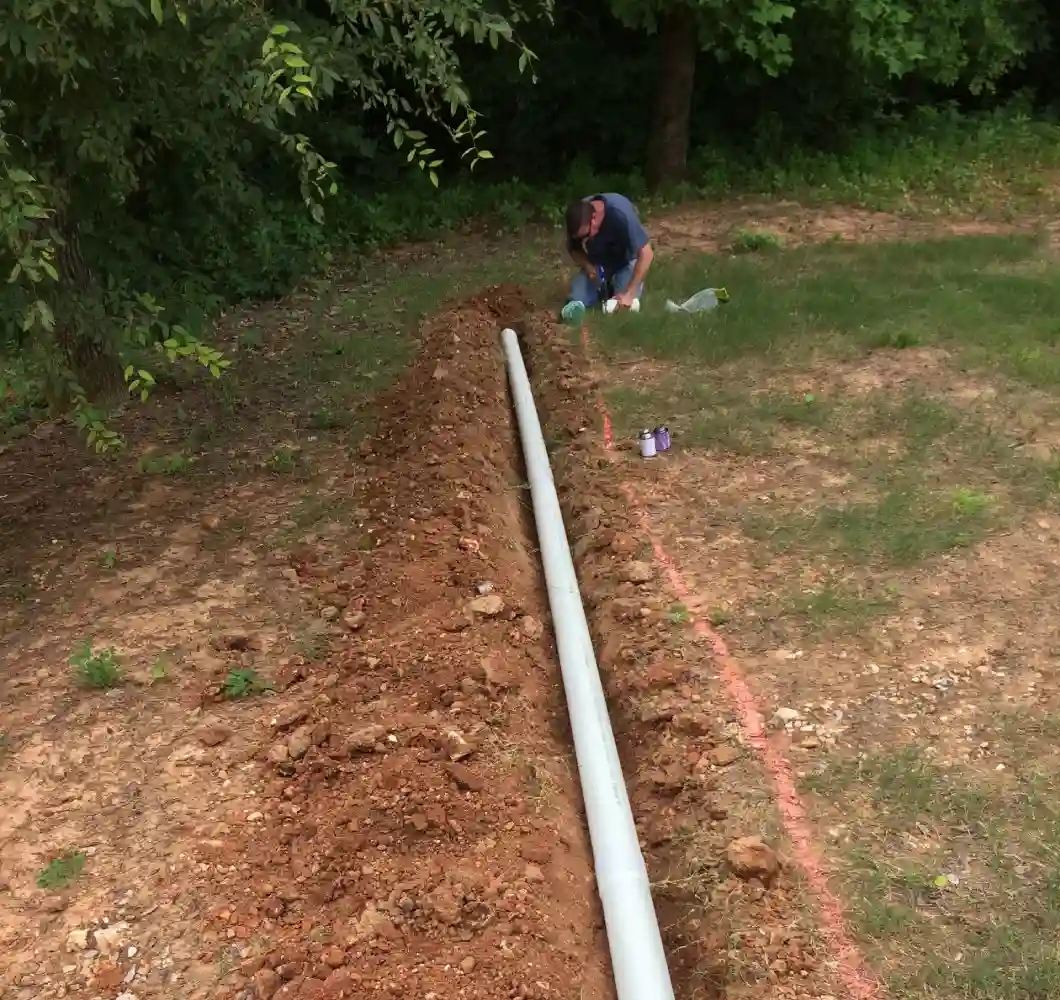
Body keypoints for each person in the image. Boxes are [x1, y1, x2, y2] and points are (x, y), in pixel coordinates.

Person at [560, 193, 655, 324]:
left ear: (594, 218)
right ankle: (602, 289)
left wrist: (630, 292)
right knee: (576, 298)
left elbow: (647, 253)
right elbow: (574, 249)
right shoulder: (577, 216)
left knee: (622, 305)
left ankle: (617, 288)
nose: (584, 240)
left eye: (586, 235)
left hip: (626, 260)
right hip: (599, 262)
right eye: (580, 238)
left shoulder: (621, 215)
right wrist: (589, 268)